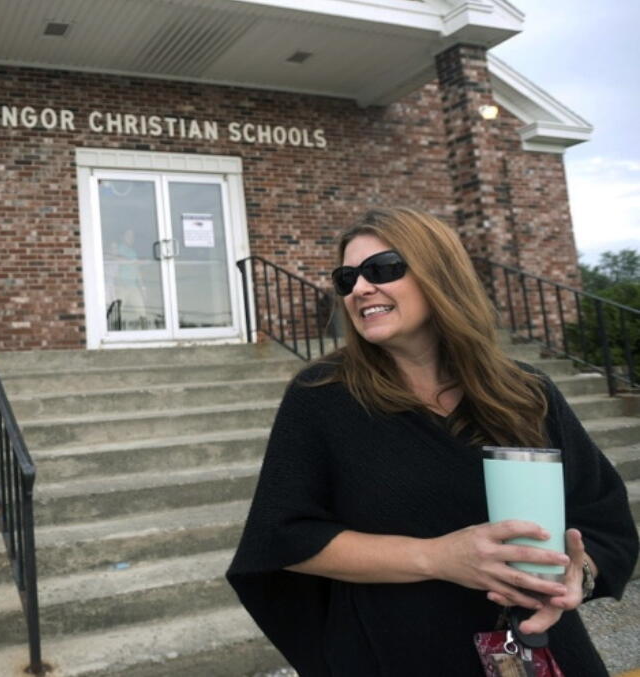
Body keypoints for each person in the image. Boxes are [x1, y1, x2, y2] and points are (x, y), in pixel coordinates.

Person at [226, 208, 637, 675]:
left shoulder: (526, 392)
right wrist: (437, 557)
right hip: (396, 650)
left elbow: (602, 519)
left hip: (537, 649)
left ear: (440, 274)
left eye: (382, 269)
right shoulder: (323, 397)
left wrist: (576, 578)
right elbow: (280, 536)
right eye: (347, 278)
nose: (359, 289)